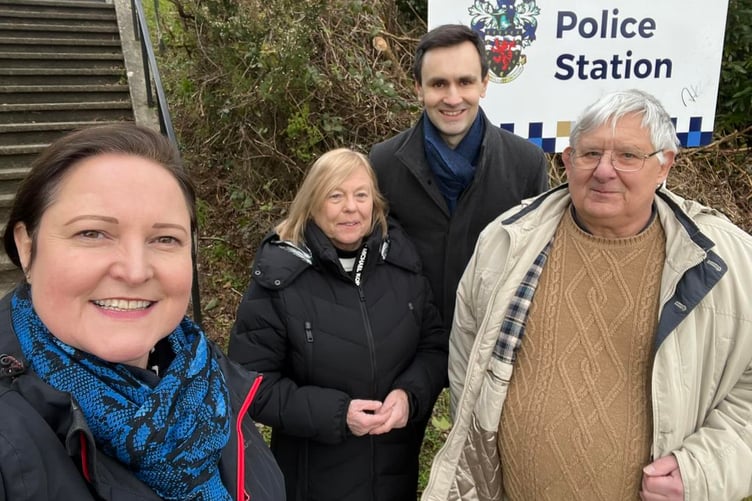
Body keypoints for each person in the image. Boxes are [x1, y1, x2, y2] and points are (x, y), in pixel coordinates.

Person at [421, 89, 752, 501]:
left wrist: (705, 469)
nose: (604, 171)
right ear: (567, 160)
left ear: (664, 164)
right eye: (590, 153)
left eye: (628, 156)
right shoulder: (506, 242)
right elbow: (467, 365)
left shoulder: (726, 263)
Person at [0, 123, 285, 501]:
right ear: (26, 247)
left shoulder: (207, 380)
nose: (135, 271)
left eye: (164, 238)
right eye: (92, 233)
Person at [228, 148, 448, 501]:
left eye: (361, 195)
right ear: (312, 203)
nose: (351, 207)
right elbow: (252, 386)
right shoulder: (281, 277)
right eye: (336, 196)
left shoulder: (401, 263)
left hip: (395, 475)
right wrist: (337, 414)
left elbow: (434, 347)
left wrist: (410, 394)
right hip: (314, 481)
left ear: (374, 202)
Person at [369, 23, 549, 330]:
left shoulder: (526, 163)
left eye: (465, 82)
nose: (453, 98)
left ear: (484, 84)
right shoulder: (382, 162)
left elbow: (538, 267)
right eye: (439, 84)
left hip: (489, 341)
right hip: (408, 342)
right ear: (418, 88)